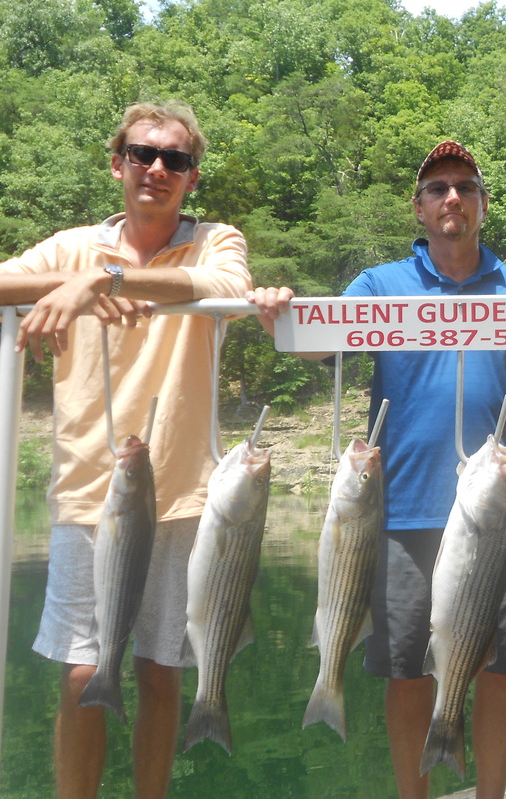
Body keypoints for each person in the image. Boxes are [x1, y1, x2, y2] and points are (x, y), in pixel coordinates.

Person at [249, 140, 506, 799]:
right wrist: (282, 315)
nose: (452, 199)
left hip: (498, 512)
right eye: (438, 188)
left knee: (501, 668)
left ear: (483, 204)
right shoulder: (380, 286)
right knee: (407, 668)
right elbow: (318, 345)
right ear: (419, 206)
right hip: (403, 508)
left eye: (465, 187)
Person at [0, 101, 252, 799]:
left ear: (192, 177)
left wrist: (106, 283)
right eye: (144, 154)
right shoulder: (72, 248)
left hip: (185, 496)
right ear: (118, 163)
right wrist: (73, 283)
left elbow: (230, 290)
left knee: (160, 670)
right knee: (83, 673)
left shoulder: (215, 240)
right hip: (90, 493)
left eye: (176, 160)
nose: (158, 169)